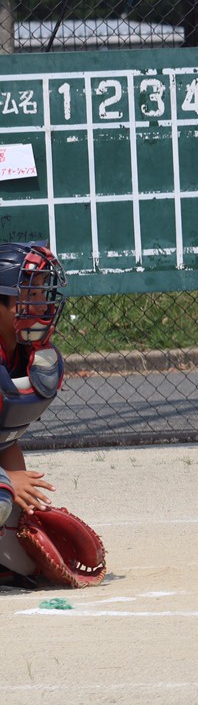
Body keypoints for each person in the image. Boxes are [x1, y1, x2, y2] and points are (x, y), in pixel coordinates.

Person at [0, 243, 69, 584]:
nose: (41, 303)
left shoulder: (23, 352)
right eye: (29, 293)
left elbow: (5, 436)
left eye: (42, 290)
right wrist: (7, 482)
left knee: (10, 504)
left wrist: (22, 507)